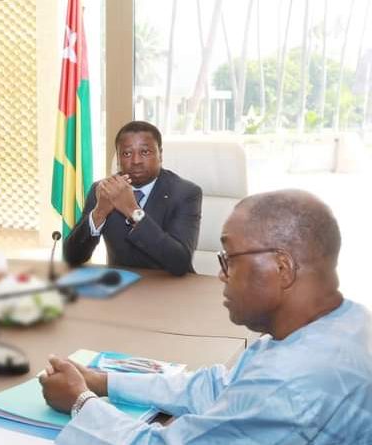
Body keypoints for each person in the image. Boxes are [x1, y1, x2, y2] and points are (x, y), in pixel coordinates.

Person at [41, 189, 372, 444]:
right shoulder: (346, 321)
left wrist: (80, 402)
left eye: (229, 259)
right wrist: (102, 381)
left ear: (282, 268)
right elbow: (216, 387)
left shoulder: (290, 383)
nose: (222, 275)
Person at [63, 121, 202, 276]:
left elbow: (180, 262)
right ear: (118, 159)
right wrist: (99, 213)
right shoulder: (103, 190)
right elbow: (72, 257)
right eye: (127, 154)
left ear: (160, 154)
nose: (136, 161)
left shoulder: (185, 193)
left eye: (145, 152)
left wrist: (133, 211)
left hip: (170, 285)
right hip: (122, 284)